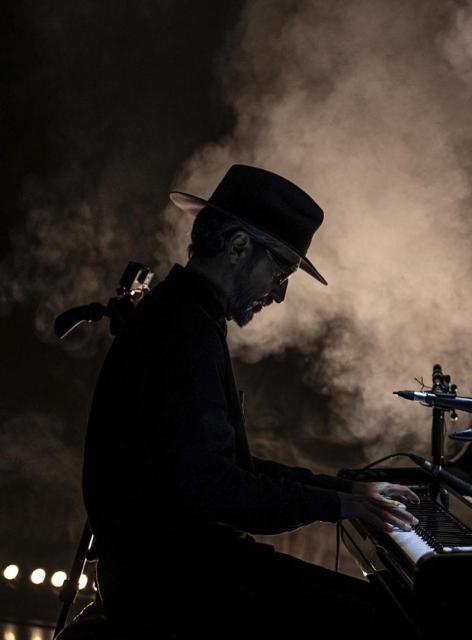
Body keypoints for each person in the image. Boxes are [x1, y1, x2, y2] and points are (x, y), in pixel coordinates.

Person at [81, 164, 419, 636]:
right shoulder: (184, 331)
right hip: (173, 587)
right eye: (281, 272)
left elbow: (232, 469)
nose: (278, 295)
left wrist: (350, 494)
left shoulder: (183, 314)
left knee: (383, 607)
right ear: (239, 247)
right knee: (389, 621)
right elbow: (217, 491)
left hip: (174, 570)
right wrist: (339, 507)